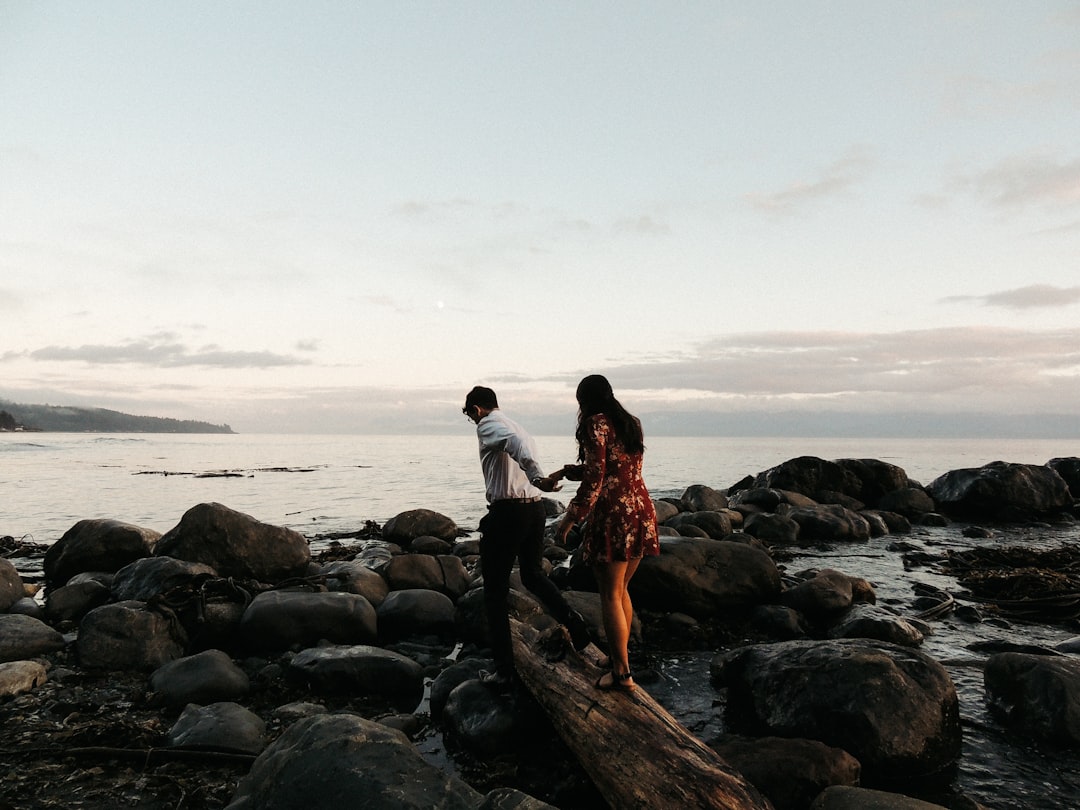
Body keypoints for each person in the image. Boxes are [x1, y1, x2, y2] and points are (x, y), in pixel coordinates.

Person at [463, 385, 590, 687]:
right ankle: (575, 624)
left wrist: (537, 478)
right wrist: (541, 481)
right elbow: (520, 444)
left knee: (494, 593)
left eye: (470, 415)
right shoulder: (515, 424)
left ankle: (504, 671)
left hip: (508, 513)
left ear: (477, 410)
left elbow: (514, 444)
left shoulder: (489, 424)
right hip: (533, 510)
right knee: (533, 576)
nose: (473, 421)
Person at [545, 375, 660, 692]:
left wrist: (570, 518)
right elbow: (616, 466)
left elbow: (596, 480)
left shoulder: (596, 423)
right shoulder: (630, 422)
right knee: (622, 590)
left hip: (613, 516)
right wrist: (570, 471)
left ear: (585, 401)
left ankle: (622, 674)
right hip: (640, 511)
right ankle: (620, 660)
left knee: (610, 594)